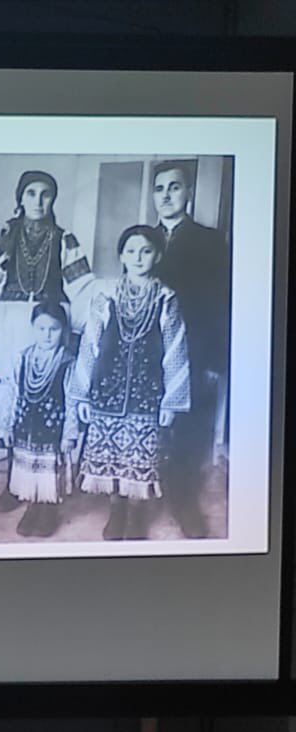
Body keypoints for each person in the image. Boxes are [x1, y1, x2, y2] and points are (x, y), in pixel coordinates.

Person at [0, 169, 91, 508]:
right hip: (12, 325)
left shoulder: (65, 239)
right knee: (15, 399)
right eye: (31, 193)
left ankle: (47, 486)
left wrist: (74, 335)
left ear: (54, 199)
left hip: (50, 325)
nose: (38, 201)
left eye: (46, 194)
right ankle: (14, 482)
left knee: (48, 403)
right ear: (20, 198)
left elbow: (83, 290)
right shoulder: (5, 239)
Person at [69, 225, 190, 541]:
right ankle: (116, 510)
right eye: (131, 251)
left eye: (146, 251)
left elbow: (176, 349)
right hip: (105, 391)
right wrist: (82, 395)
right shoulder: (105, 294)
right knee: (110, 458)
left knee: (140, 457)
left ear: (158, 256)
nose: (138, 258)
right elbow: (90, 343)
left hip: (147, 394)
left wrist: (171, 402)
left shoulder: (166, 298)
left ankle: (135, 515)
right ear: (121, 256)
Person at [150, 159, 230, 538]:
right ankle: (139, 498)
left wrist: (215, 360)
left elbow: (220, 302)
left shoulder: (209, 241)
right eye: (159, 189)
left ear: (189, 192)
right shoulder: (142, 241)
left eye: (174, 187)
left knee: (190, 427)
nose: (166, 196)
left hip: (195, 349)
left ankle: (184, 501)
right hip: (150, 351)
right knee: (149, 425)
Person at [5, 302, 77, 537]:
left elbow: (72, 401)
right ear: (33, 328)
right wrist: (7, 424)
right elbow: (13, 393)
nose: (47, 335)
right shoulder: (23, 358)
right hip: (25, 427)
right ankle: (32, 507)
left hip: (52, 431)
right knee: (28, 470)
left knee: (48, 474)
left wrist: (69, 434)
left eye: (53, 329)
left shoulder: (67, 362)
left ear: (63, 330)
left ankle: (48, 510)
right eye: (41, 329)